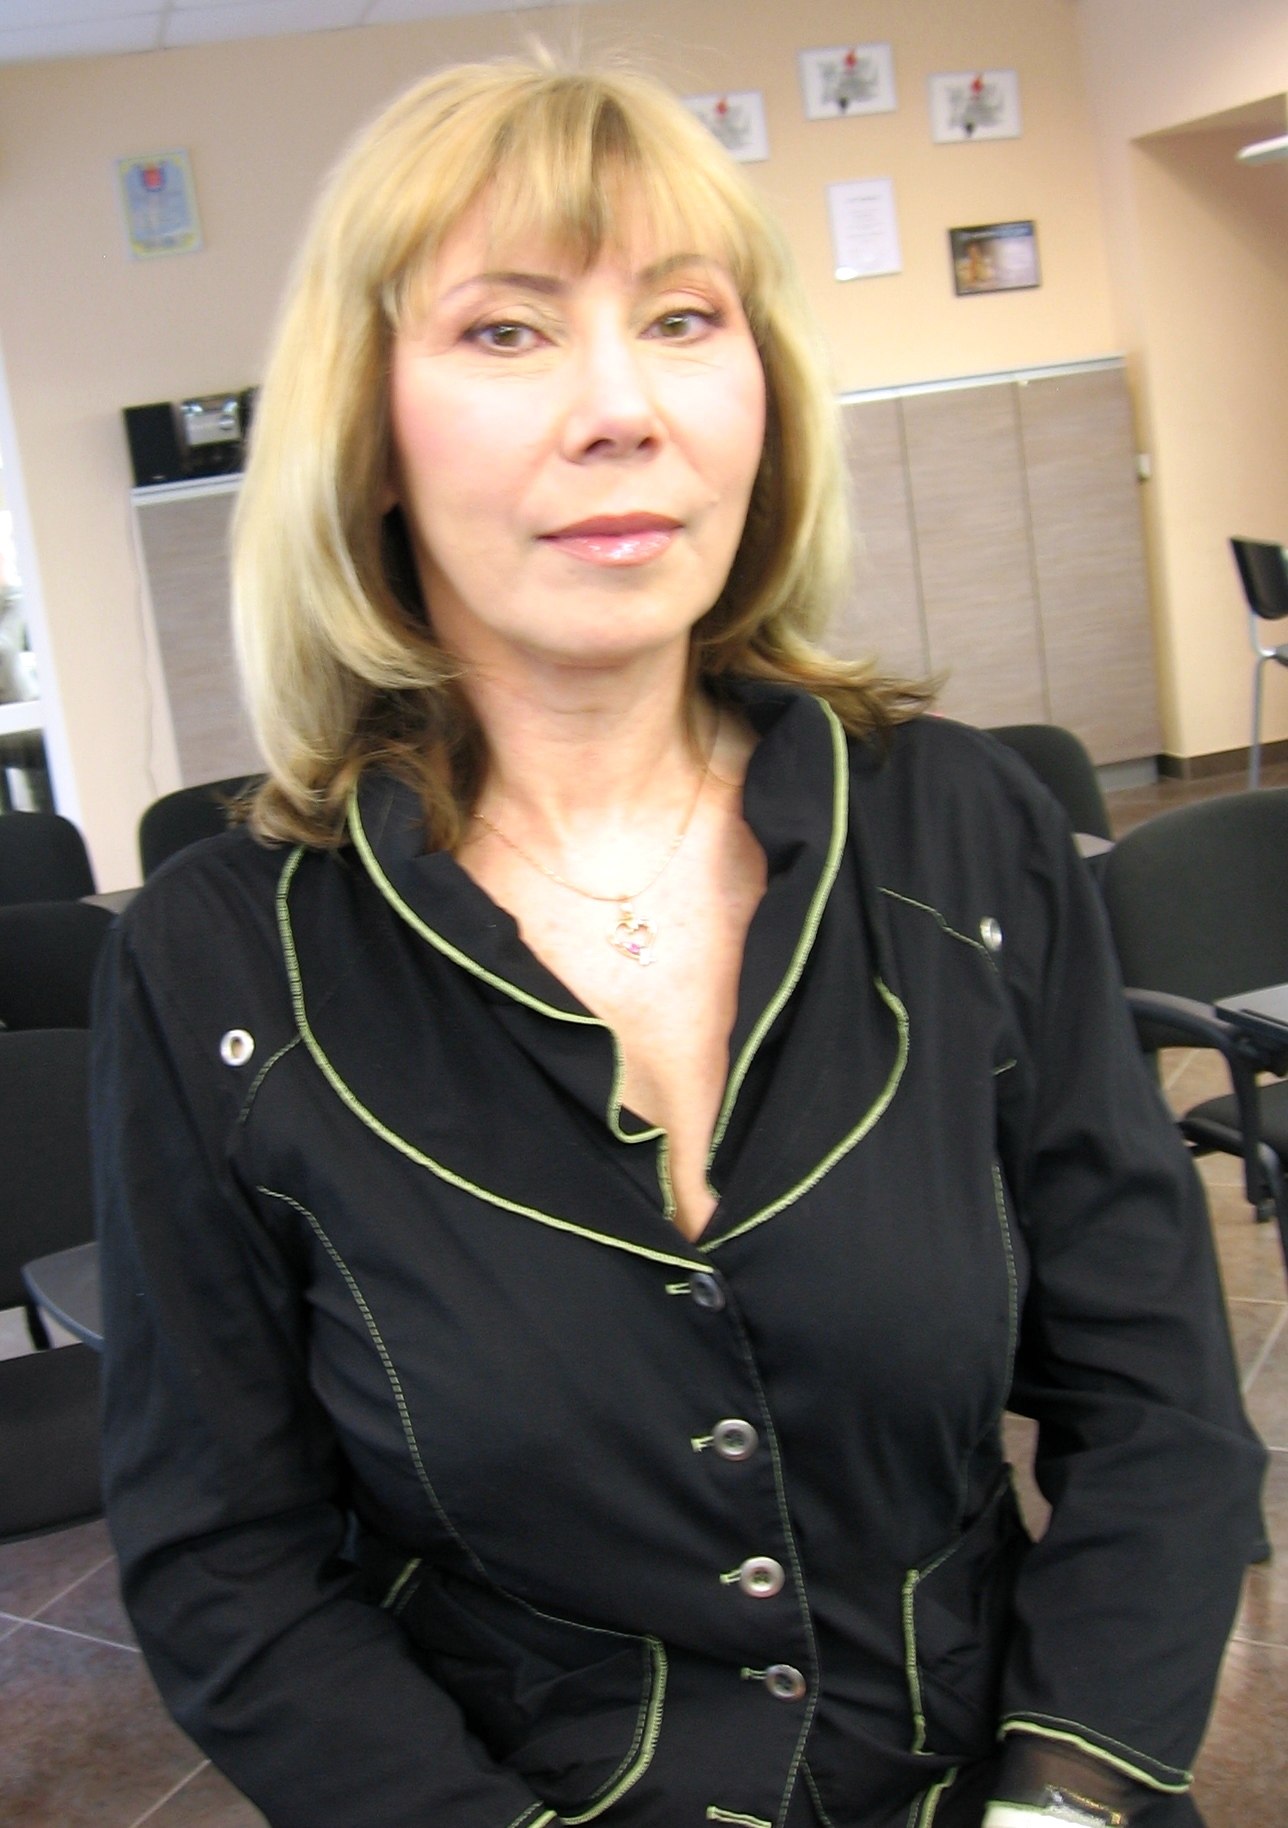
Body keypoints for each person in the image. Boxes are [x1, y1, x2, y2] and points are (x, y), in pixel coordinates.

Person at [93, 55, 1265, 1828]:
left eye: (683, 319)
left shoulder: (962, 830)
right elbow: (224, 1566)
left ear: (761, 396)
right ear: (368, 432)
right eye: (506, 331)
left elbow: (1159, 1404)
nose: (621, 407)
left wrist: (1065, 1798)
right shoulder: (218, 965)